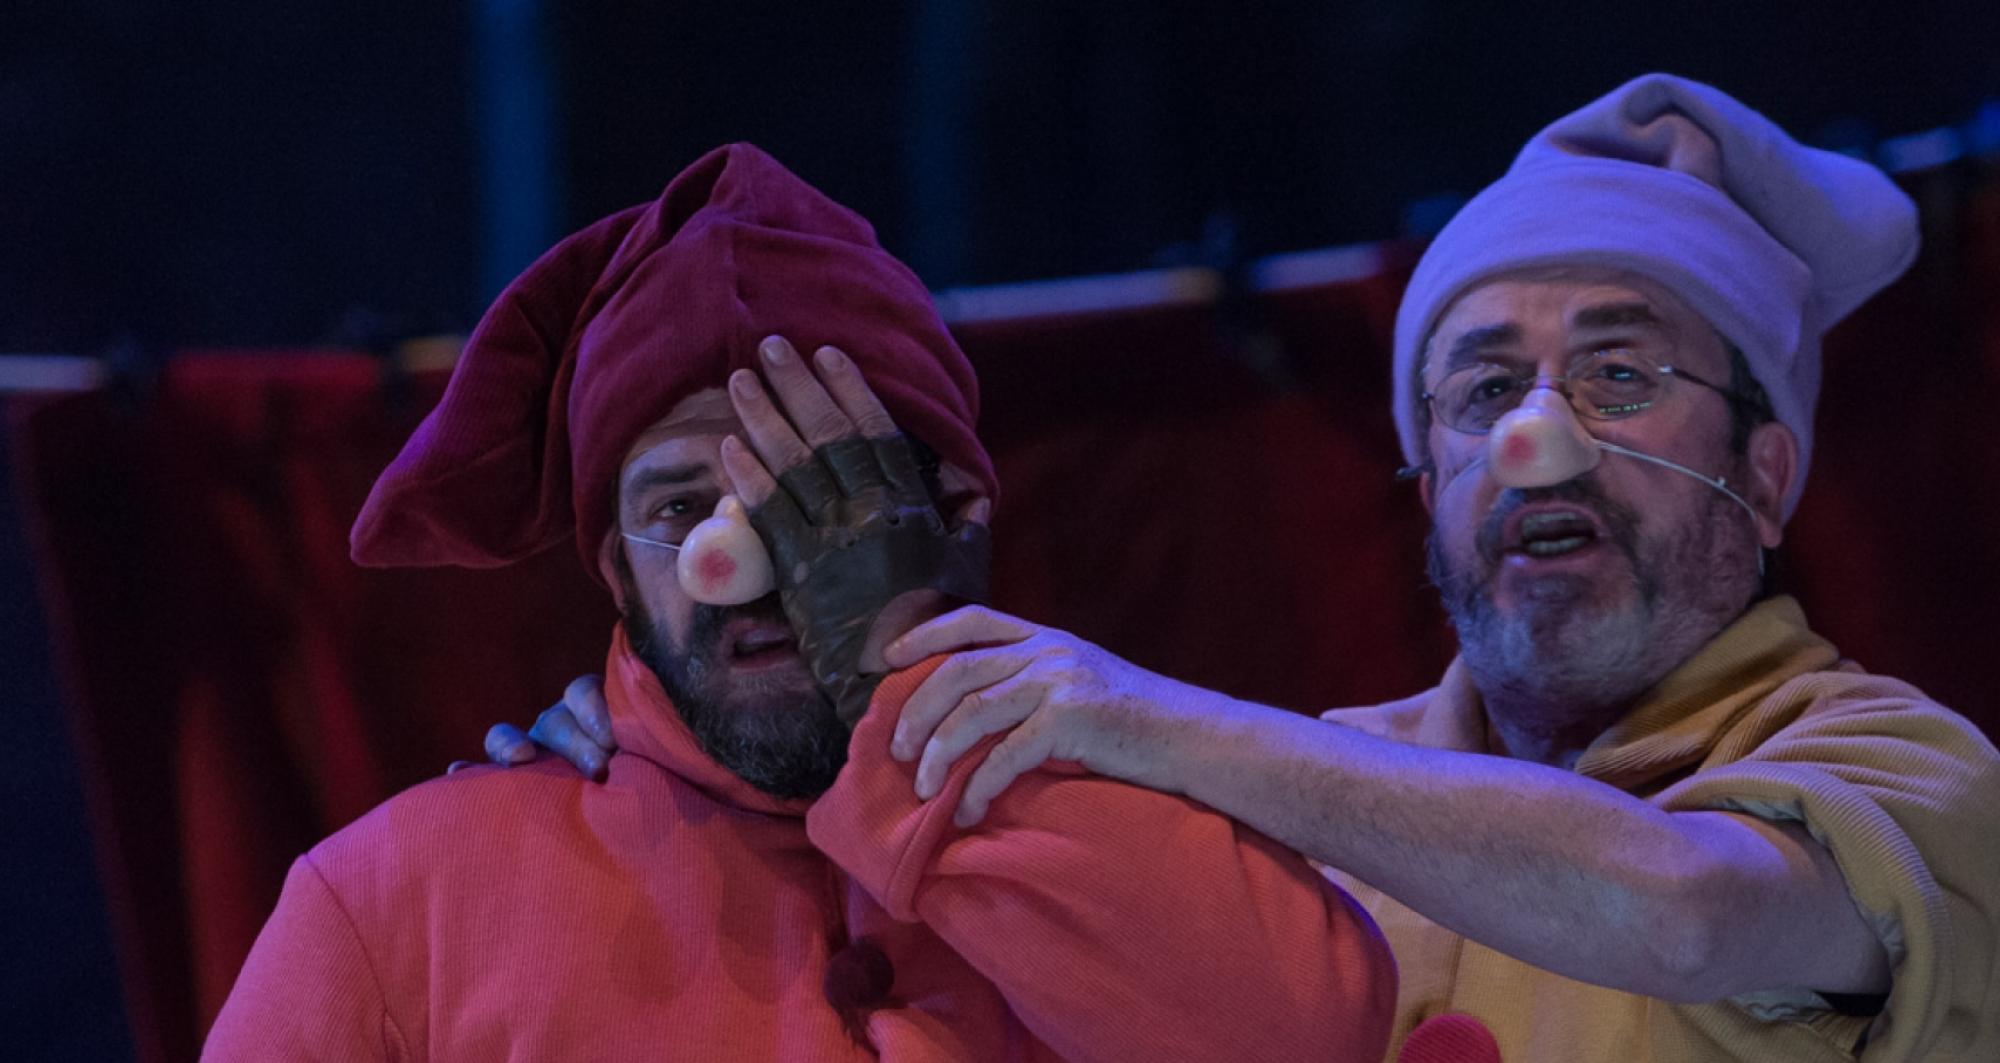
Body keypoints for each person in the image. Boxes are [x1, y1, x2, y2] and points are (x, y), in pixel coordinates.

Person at [513, 79, 2000, 1061]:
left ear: (1765, 472)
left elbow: (1686, 908)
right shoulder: (1311, 787)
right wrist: (668, 760)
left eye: (1620, 375)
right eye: (1483, 389)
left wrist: (1138, 713)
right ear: (1427, 479)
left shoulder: (1905, 767)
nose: (1538, 444)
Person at [203, 143, 1395, 1062]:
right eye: (682, 505)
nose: (748, 560)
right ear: (614, 568)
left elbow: (1309, 1040)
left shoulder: (1126, 819)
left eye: (819, 496)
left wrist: (898, 686)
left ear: (957, 517)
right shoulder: (396, 899)